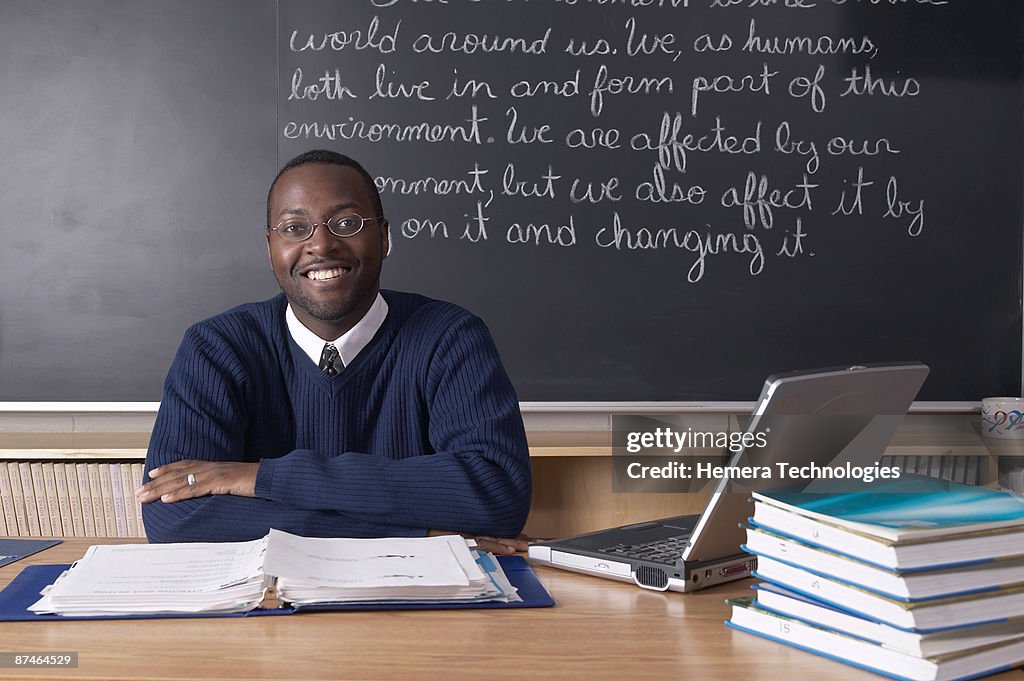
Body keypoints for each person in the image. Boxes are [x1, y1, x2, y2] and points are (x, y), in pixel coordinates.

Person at [135, 149, 532, 553]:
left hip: (421, 602)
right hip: (269, 608)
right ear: (269, 246)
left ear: (384, 236)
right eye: (294, 228)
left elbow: (496, 494)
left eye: (346, 223)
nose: (321, 245)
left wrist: (263, 479)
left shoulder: (450, 337)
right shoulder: (217, 348)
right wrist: (408, 535)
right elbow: (175, 518)